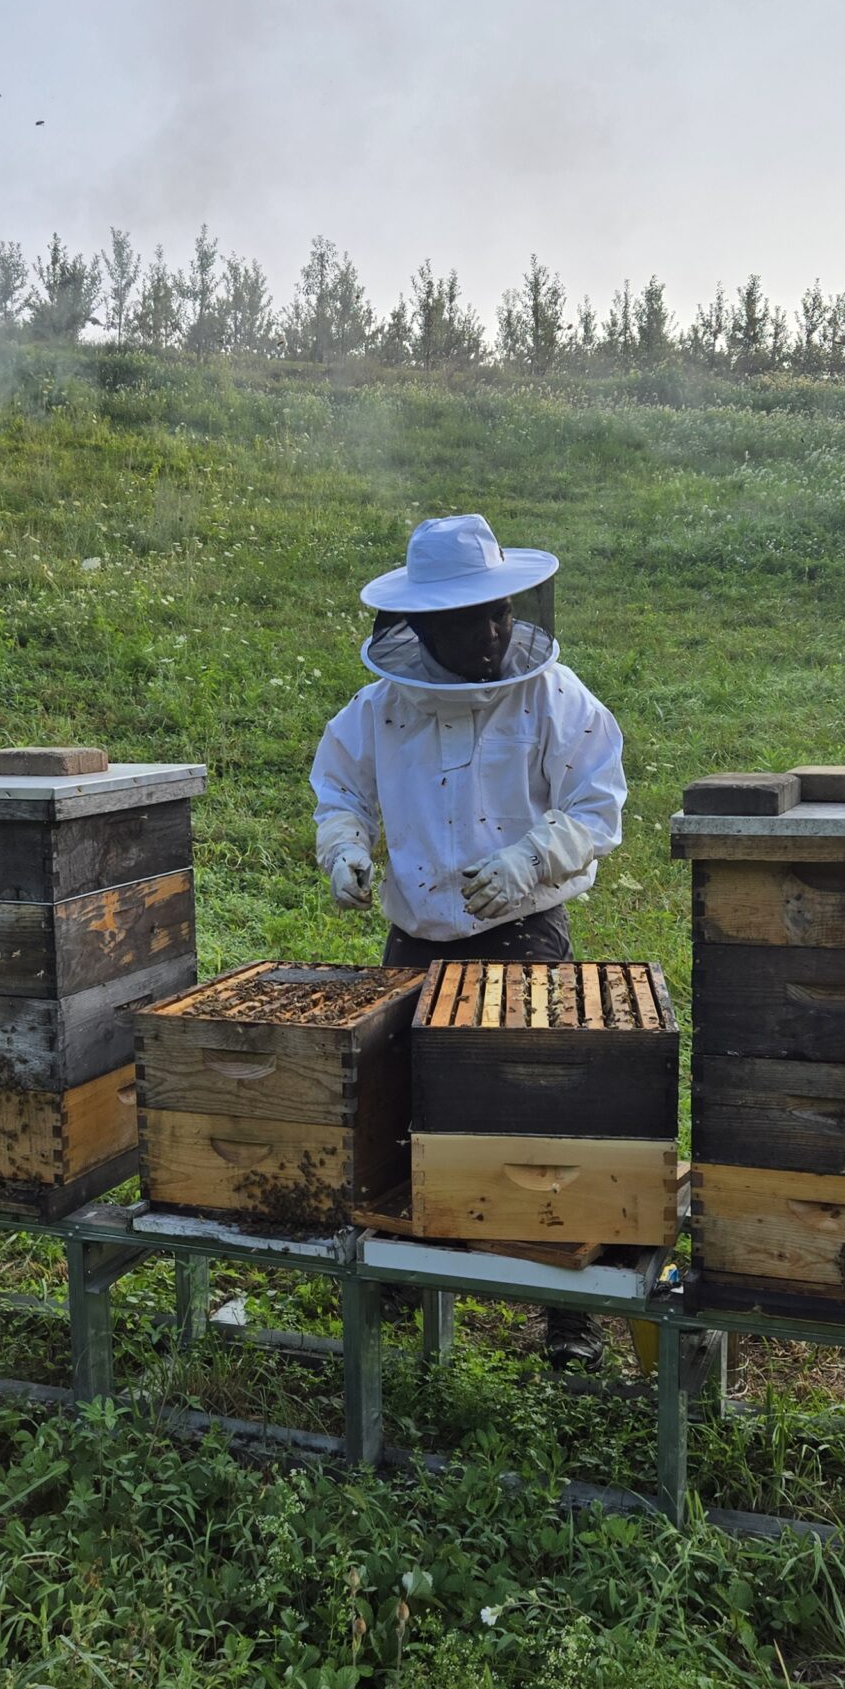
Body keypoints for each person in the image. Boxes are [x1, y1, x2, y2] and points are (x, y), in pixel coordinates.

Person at [310, 513, 628, 1366]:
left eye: (499, 612)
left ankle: (567, 1314)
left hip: (523, 931)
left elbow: (599, 804)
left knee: (529, 1122)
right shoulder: (379, 709)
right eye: (467, 620)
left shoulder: (553, 695)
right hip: (414, 939)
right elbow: (339, 787)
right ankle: (412, 1272)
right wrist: (344, 848)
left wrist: (531, 857)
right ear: (420, 627)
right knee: (402, 1112)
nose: (491, 633)